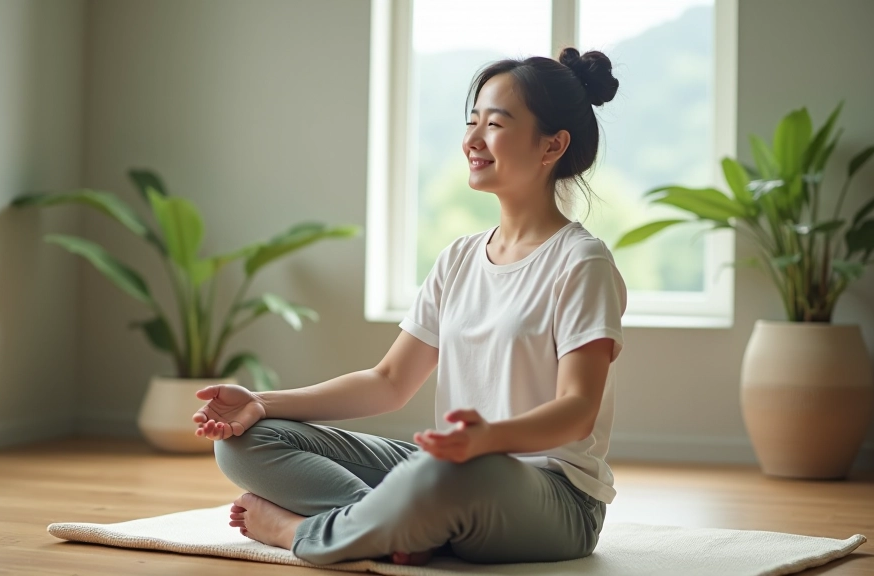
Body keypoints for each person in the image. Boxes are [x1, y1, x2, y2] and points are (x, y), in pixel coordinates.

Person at [192, 46, 626, 567]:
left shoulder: (581, 262)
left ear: (552, 145)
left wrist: (490, 440)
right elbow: (389, 381)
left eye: (496, 124)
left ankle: (300, 533)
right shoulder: (460, 258)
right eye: (472, 122)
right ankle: (399, 529)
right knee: (244, 443)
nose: (472, 141)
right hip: (449, 468)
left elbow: (577, 411)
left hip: (555, 499)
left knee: (443, 475)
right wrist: (261, 403)